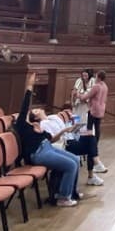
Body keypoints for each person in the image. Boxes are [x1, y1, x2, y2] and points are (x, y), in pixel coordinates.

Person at [13, 71, 80, 207]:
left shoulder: (38, 127)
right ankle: (63, 197)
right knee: (71, 165)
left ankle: (71, 192)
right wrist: (30, 86)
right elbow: (25, 105)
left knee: (76, 159)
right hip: (38, 153)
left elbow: (51, 140)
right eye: (34, 111)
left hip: (47, 147)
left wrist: (63, 131)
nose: (34, 110)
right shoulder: (22, 125)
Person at [39, 110, 105, 187]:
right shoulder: (44, 123)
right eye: (36, 111)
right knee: (90, 146)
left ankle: (95, 165)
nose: (40, 110)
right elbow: (52, 139)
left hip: (70, 139)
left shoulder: (54, 119)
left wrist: (74, 129)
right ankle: (94, 168)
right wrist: (65, 131)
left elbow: (66, 130)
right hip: (64, 144)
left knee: (91, 138)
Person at [77, 70, 109, 173]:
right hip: (101, 110)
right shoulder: (105, 86)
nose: (95, 77)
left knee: (90, 132)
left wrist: (78, 95)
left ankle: (92, 149)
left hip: (93, 110)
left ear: (98, 77)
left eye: (96, 76)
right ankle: (95, 145)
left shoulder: (96, 86)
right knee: (97, 129)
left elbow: (85, 97)